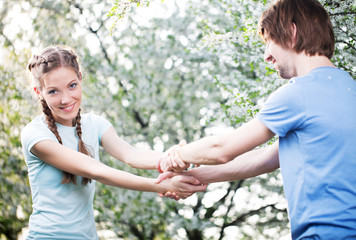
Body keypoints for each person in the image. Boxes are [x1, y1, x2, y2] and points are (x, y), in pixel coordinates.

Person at [157, 0, 356, 239]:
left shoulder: (299, 94)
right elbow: (265, 159)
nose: (266, 55)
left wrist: (176, 157)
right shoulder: (347, 88)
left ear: (292, 32)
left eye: (270, 41)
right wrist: (190, 177)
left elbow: (222, 149)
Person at [21, 45, 207, 239]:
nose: (66, 98)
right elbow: (97, 170)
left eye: (72, 85)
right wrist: (163, 185)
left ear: (80, 79)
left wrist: (176, 156)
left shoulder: (95, 124)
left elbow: (132, 155)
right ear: (39, 91)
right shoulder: (35, 135)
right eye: (53, 91)